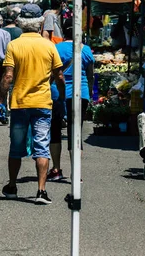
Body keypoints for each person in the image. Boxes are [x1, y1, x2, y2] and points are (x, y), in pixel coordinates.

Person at [0, 4, 66, 205]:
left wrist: (1, 100)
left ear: (20, 22)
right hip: (43, 103)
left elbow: (8, 76)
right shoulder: (49, 45)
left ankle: (12, 186)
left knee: (16, 147)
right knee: (42, 147)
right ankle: (41, 191)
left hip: (20, 103)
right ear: (40, 23)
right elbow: (59, 75)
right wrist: (61, 95)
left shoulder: (14, 45)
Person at [48, 18, 94, 181]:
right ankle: (76, 173)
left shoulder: (55, 48)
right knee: (76, 133)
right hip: (80, 94)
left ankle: (56, 169)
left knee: (55, 130)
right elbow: (90, 76)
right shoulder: (86, 50)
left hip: (57, 94)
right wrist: (90, 96)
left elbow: (50, 74)